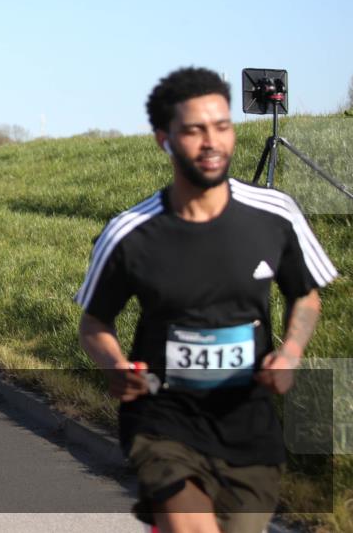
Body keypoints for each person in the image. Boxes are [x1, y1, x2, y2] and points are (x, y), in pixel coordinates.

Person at [76, 67, 337, 533]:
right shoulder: (130, 233)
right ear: (164, 139)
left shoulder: (275, 214)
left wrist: (292, 353)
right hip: (162, 419)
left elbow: (307, 296)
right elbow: (94, 322)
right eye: (194, 130)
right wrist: (115, 365)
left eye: (221, 126)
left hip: (248, 423)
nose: (211, 141)